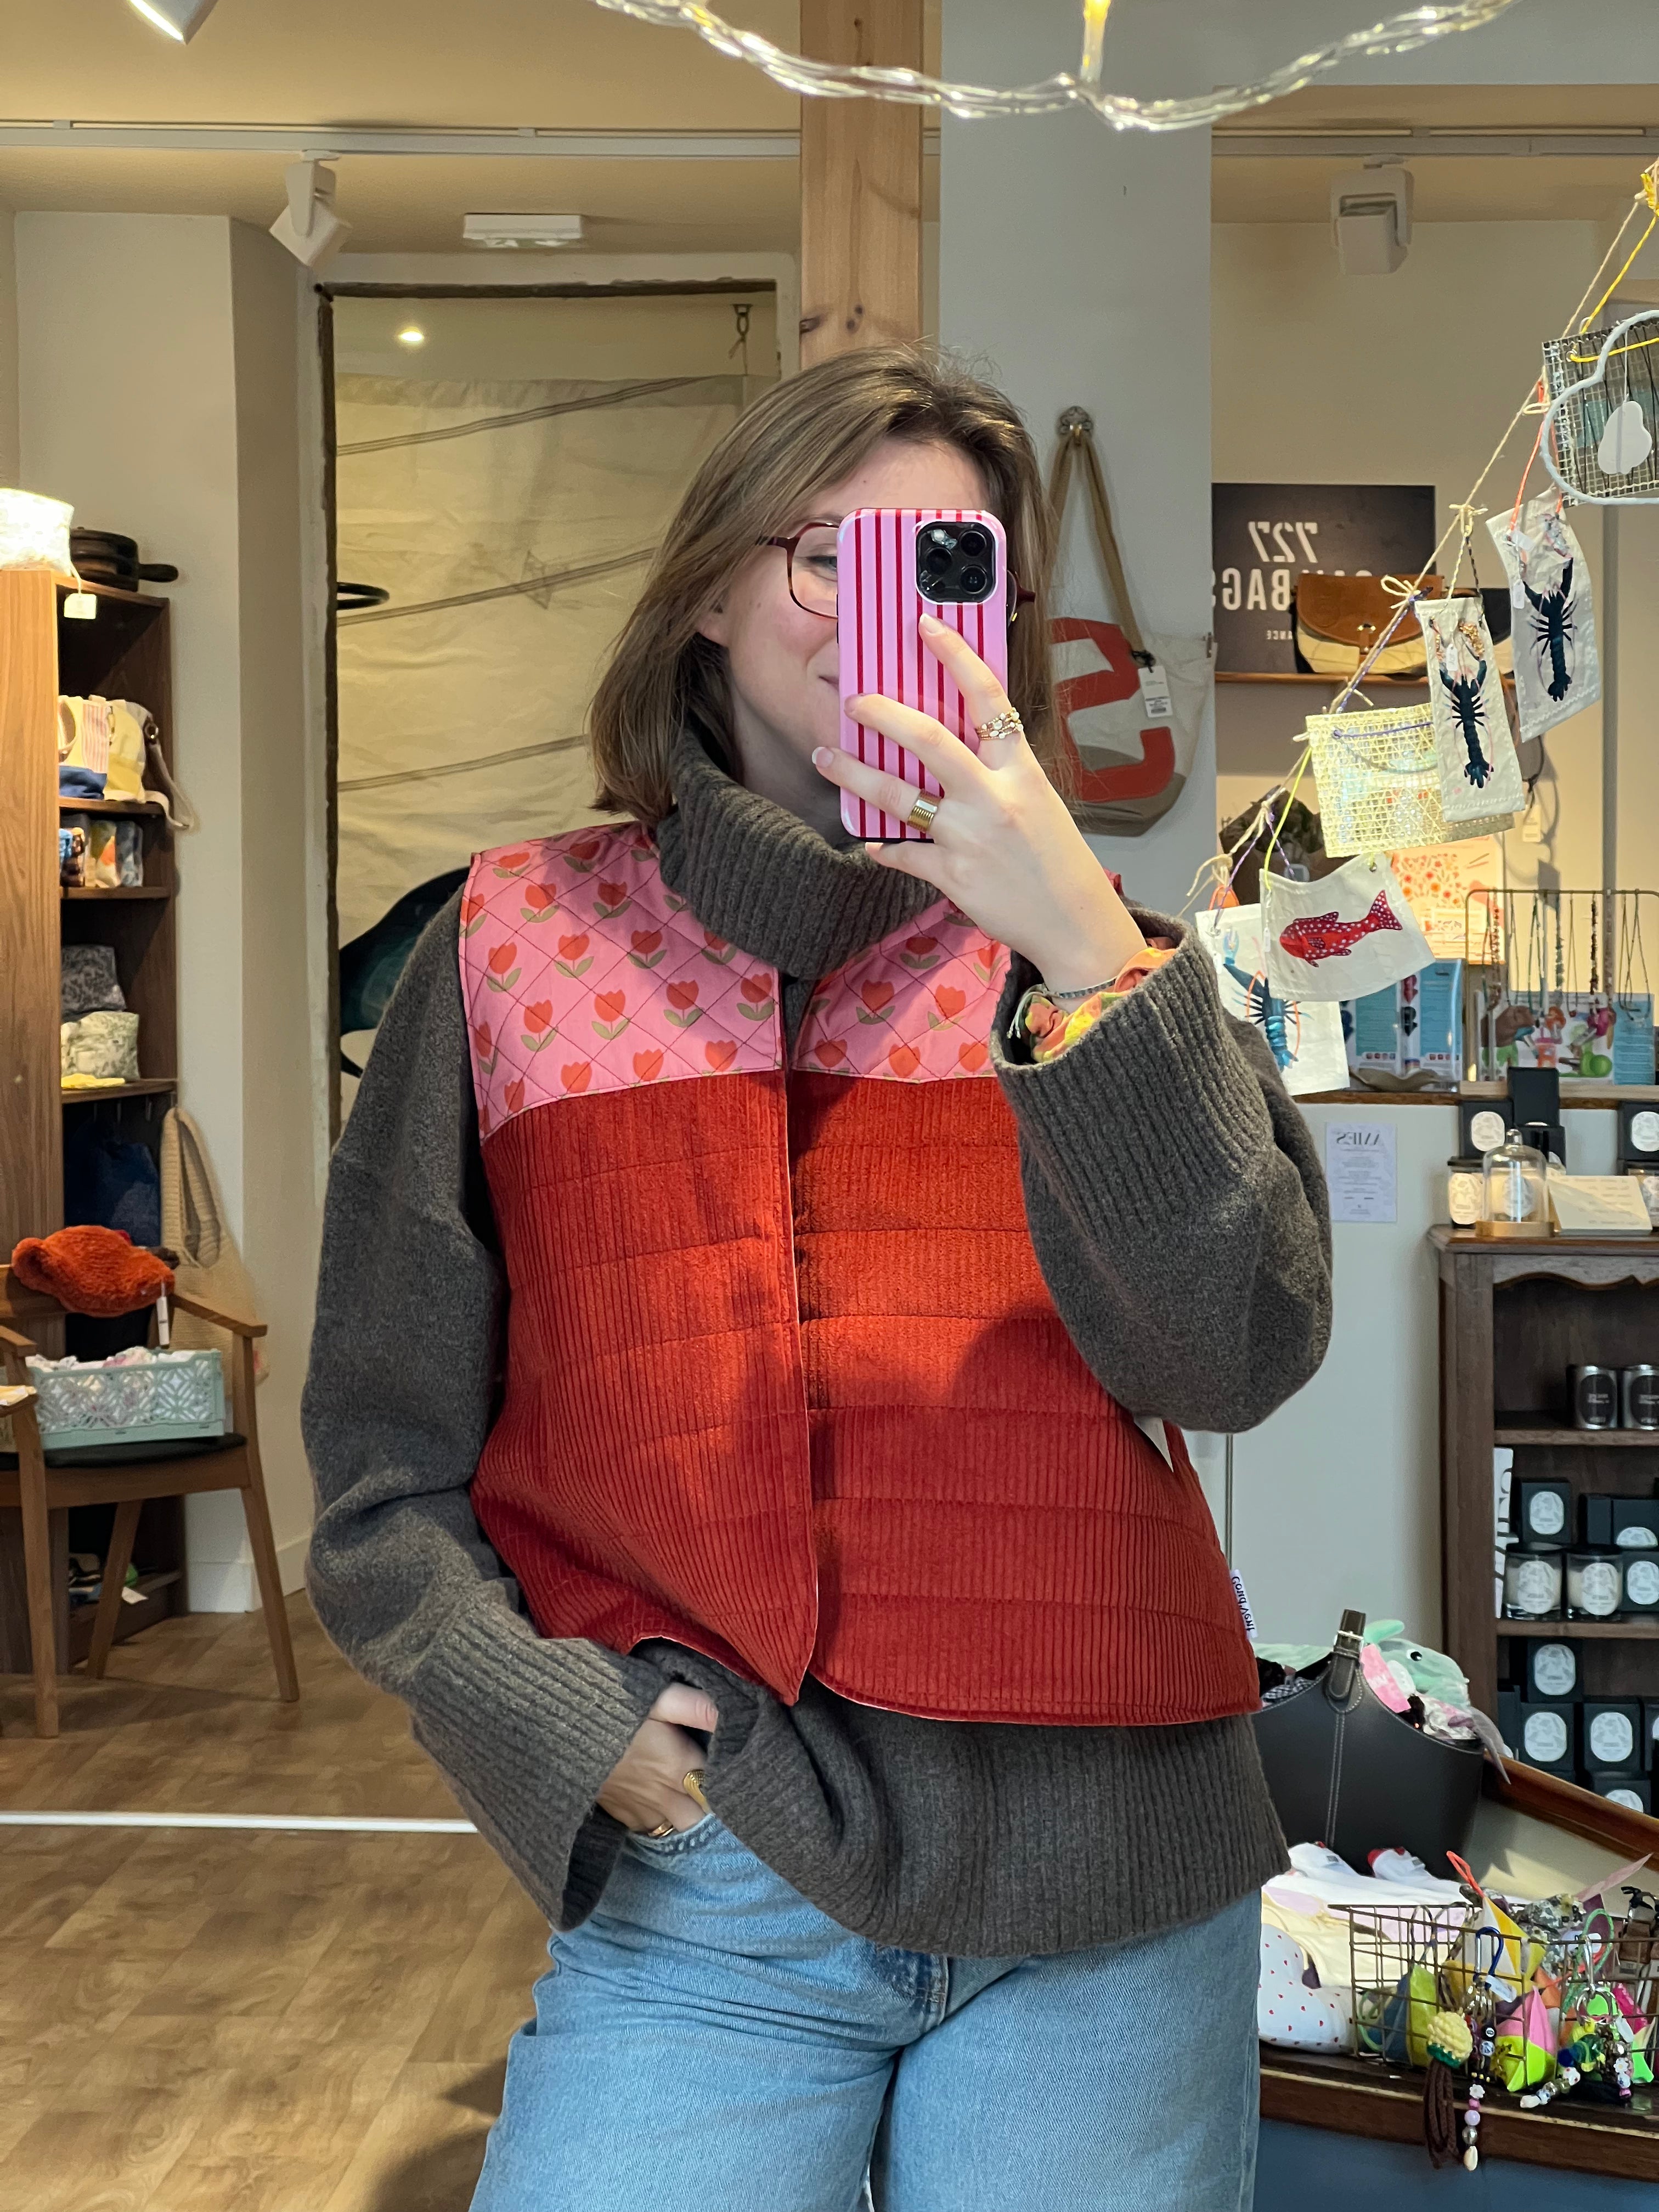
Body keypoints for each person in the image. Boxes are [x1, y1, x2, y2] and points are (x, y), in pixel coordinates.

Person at [302, 346, 1333, 2212]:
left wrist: (1080, 940)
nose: (883, 613)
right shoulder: (505, 945)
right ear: (707, 591)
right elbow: (383, 1469)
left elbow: (1241, 1349)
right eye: (822, 556)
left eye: (944, 564)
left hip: (1113, 1875)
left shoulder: (1098, 957)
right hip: (721, 1878)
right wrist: (555, 1725)